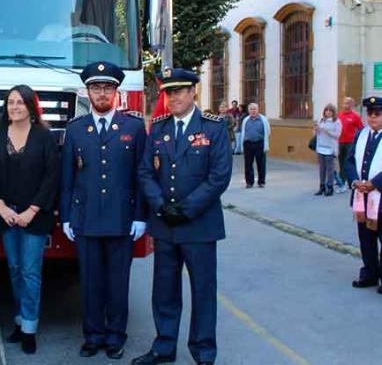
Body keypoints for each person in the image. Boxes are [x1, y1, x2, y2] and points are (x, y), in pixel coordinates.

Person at [133, 68, 232, 365]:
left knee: (203, 291)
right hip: (165, 224)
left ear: (193, 93)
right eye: (169, 92)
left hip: (199, 225)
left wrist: (186, 209)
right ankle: (164, 347)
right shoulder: (160, 128)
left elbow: (219, 177)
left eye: (179, 91)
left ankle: (203, 351)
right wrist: (160, 205)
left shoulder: (213, 128)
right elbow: (145, 171)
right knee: (164, 290)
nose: (173, 97)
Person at [60, 62, 147, 360]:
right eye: (96, 88)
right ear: (87, 92)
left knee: (118, 284)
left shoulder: (133, 127)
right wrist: (67, 217)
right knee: (90, 283)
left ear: (116, 91)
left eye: (107, 87)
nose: (101, 93)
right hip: (86, 219)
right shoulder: (75, 130)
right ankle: (93, 335)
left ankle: (115, 337)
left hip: (122, 219)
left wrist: (140, 216)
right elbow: (67, 178)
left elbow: (141, 175)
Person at [0, 85, 60, 354]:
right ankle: (19, 319)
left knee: (30, 271)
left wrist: (32, 211)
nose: (14, 107)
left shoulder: (44, 137)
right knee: (15, 269)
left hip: (34, 218)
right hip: (6, 216)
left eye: (20, 102)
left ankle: (29, 328)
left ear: (31, 106)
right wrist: (1, 208)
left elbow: (52, 177)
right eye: (10, 102)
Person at [345, 96, 382, 294]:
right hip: (362, 196)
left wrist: (374, 183)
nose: (373, 117)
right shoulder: (361, 134)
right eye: (370, 113)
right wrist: (354, 181)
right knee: (366, 239)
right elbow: (349, 161)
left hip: (380, 197)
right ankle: (369, 274)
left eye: (377, 113)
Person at [239, 103, 270, 188]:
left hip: (259, 143)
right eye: (251, 109)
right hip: (248, 144)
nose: (253, 111)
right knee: (248, 164)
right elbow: (243, 132)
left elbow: (268, 131)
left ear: (258, 110)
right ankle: (249, 182)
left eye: (254, 109)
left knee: (261, 164)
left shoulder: (263, 120)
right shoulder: (246, 120)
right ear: (248, 110)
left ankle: (261, 182)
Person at [314, 104, 342, 197]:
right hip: (321, 147)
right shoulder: (321, 120)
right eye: (326, 110)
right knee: (322, 168)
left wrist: (327, 131)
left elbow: (337, 135)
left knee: (330, 169)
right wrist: (316, 130)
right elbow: (315, 133)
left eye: (330, 110)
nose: (328, 112)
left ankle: (330, 187)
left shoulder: (336, 122)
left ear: (333, 112)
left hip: (330, 149)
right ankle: (322, 186)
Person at [339, 97, 363, 190]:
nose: (346, 105)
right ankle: (341, 181)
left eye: (348, 103)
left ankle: (350, 182)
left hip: (350, 143)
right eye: (345, 103)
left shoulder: (355, 116)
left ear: (352, 105)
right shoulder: (339, 115)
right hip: (340, 142)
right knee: (341, 163)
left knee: (348, 163)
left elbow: (361, 129)